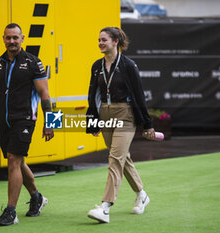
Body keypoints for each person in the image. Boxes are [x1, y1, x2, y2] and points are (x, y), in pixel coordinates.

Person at [0, 23, 54, 226]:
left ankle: (10, 212)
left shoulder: (34, 63)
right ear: (3, 38)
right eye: (8, 38)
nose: (12, 41)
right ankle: (37, 198)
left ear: (22, 38)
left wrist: (51, 123)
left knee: (13, 161)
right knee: (18, 162)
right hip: (3, 121)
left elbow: (45, 94)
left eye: (15, 37)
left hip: (25, 119)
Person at [86, 27, 155, 223]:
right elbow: (92, 95)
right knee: (123, 157)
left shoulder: (128, 65)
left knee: (115, 158)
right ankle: (142, 194)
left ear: (115, 41)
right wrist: (93, 122)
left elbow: (139, 95)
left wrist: (147, 124)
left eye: (104, 40)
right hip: (104, 113)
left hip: (126, 114)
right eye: (99, 40)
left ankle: (105, 207)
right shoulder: (96, 66)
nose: (100, 43)